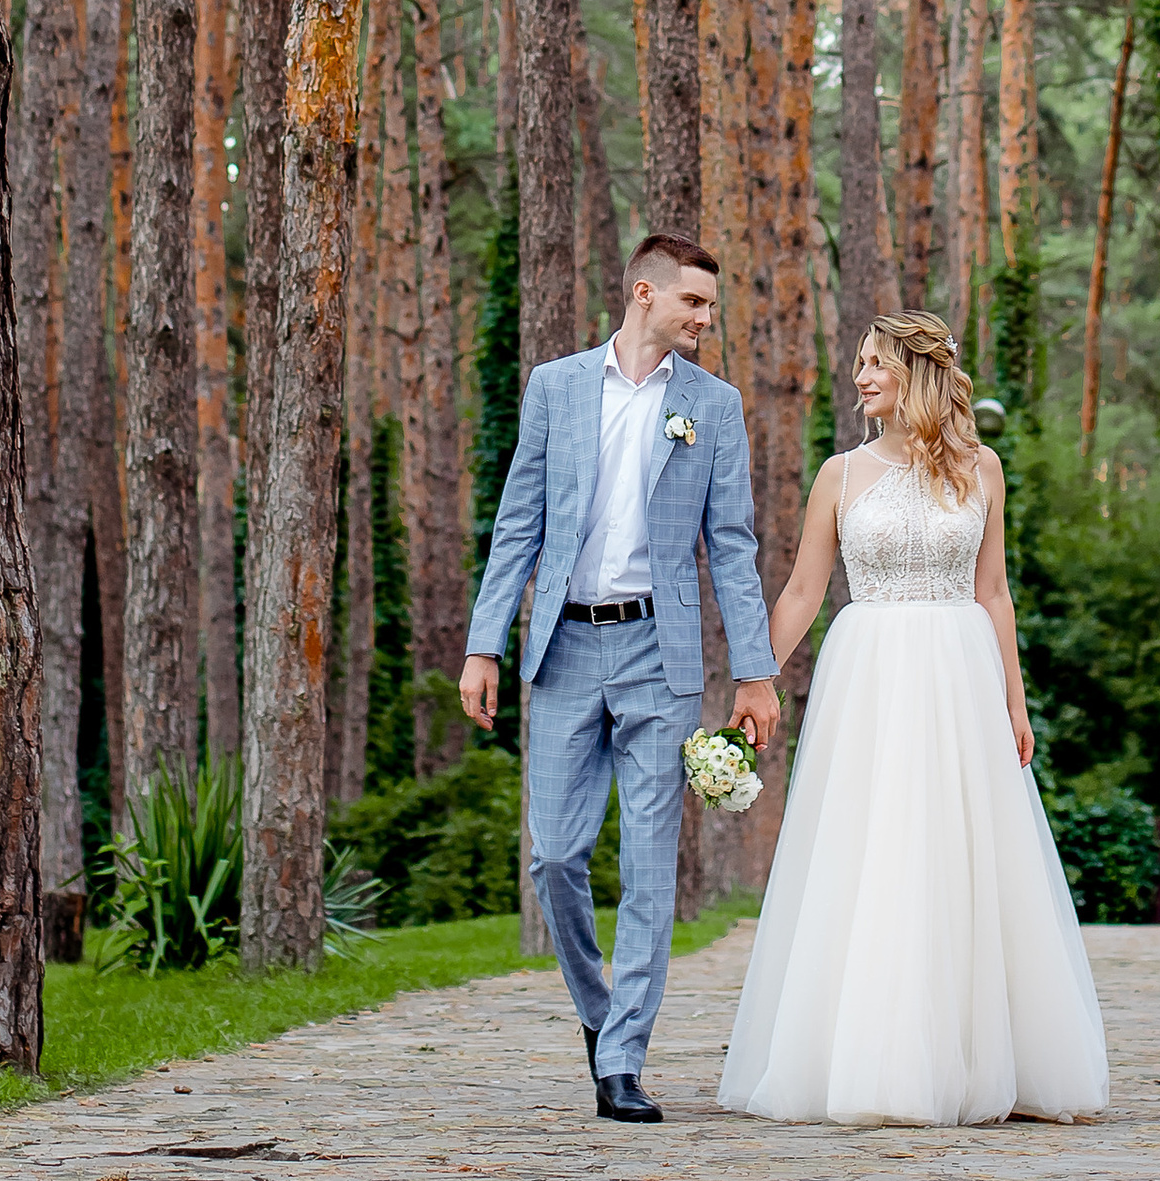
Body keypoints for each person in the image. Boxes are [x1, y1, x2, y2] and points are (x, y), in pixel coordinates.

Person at [719, 312, 1110, 1127]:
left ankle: (976, 1059)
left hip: (960, 673)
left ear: (919, 372)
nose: (860, 377)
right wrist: (754, 676)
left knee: (963, 853)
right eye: (857, 363)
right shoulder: (841, 474)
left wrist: (1014, 698)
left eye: (874, 364)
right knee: (876, 853)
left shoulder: (983, 468)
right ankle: (871, 1058)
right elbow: (801, 592)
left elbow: (993, 591)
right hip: (870, 674)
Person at [461, 232, 779, 1123]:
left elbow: (733, 546)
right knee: (554, 856)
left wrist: (753, 672)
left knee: (647, 865)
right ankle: (602, 1022)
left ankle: (624, 1060)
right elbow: (517, 523)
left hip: (659, 654)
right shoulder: (555, 388)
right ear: (645, 293)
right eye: (695, 304)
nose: (707, 320)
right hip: (563, 649)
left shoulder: (713, 407)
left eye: (711, 307)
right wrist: (485, 645)